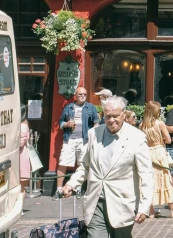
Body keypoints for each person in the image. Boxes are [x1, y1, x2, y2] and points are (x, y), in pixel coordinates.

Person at [62, 96, 153, 238]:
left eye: (115, 116)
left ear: (124, 114)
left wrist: (144, 206)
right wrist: (72, 184)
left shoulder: (137, 138)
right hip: (96, 201)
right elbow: (85, 166)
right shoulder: (94, 134)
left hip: (122, 203)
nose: (111, 120)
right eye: (107, 116)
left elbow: (146, 175)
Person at [55, 86, 100, 197]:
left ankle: (78, 188)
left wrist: (95, 132)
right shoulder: (68, 107)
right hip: (69, 138)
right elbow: (60, 123)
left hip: (84, 140)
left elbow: (96, 122)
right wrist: (66, 124)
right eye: (80, 94)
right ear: (76, 95)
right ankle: (59, 189)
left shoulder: (91, 107)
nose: (83, 96)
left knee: (82, 163)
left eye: (85, 94)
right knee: (63, 162)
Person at [138, 101, 173, 218]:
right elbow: (169, 140)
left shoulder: (141, 125)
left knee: (148, 181)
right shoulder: (159, 124)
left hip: (147, 153)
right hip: (159, 153)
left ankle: (151, 211)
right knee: (165, 180)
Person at [20, 105, 30, 193]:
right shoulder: (24, 123)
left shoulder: (22, 126)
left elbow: (21, 143)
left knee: (21, 188)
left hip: (21, 155)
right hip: (20, 155)